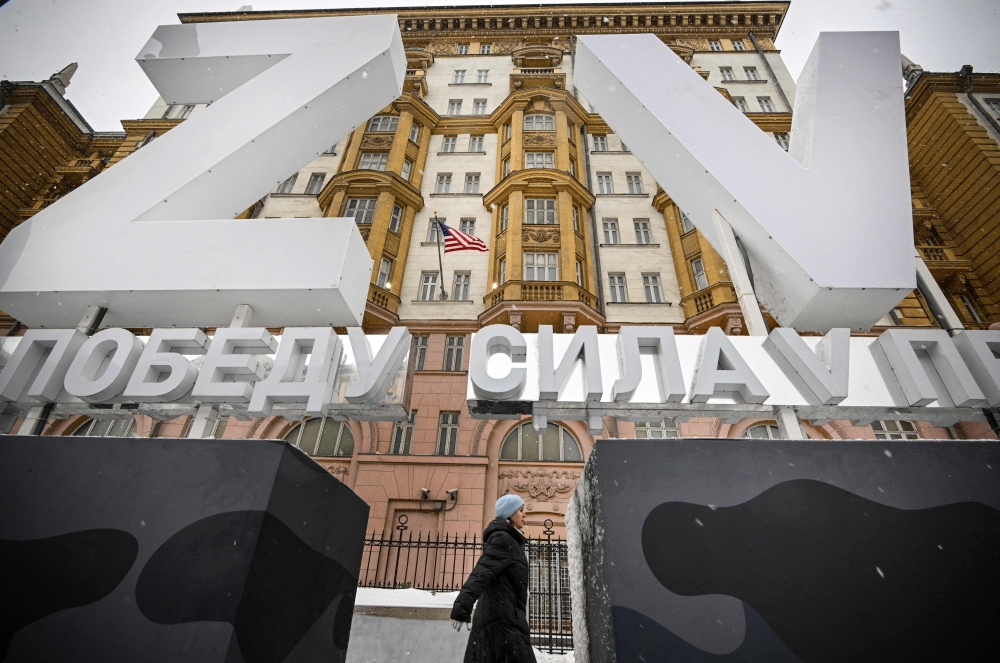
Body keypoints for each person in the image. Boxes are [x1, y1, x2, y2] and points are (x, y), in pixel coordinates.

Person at [450, 494, 536, 663]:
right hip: (503, 622)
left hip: (505, 619)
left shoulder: (509, 540)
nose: (524, 514)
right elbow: (482, 572)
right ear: (510, 514)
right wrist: (462, 606)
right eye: (520, 510)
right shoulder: (503, 539)